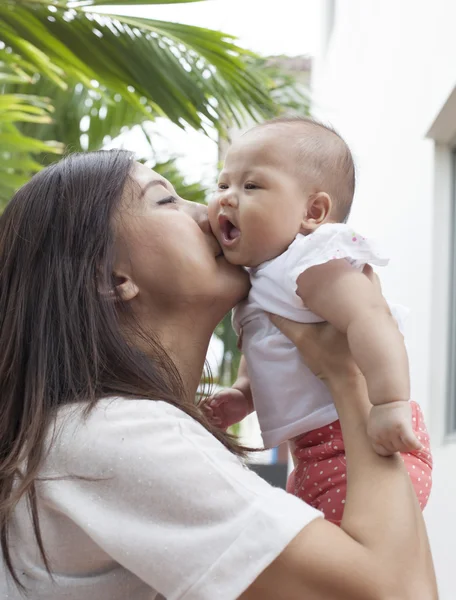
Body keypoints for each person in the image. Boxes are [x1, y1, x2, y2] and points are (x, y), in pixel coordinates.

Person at [0, 150, 436, 600]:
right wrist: (346, 375)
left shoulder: (95, 433)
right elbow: (400, 592)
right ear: (111, 277)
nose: (210, 213)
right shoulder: (119, 434)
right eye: (167, 201)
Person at [206, 117, 432, 523]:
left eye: (251, 186)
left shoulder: (309, 261)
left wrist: (388, 401)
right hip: (311, 453)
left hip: (361, 438)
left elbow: (370, 318)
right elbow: (264, 347)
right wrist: (243, 394)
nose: (226, 198)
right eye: (223, 185)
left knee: (352, 559)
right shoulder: (259, 281)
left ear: (313, 211)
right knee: (323, 557)